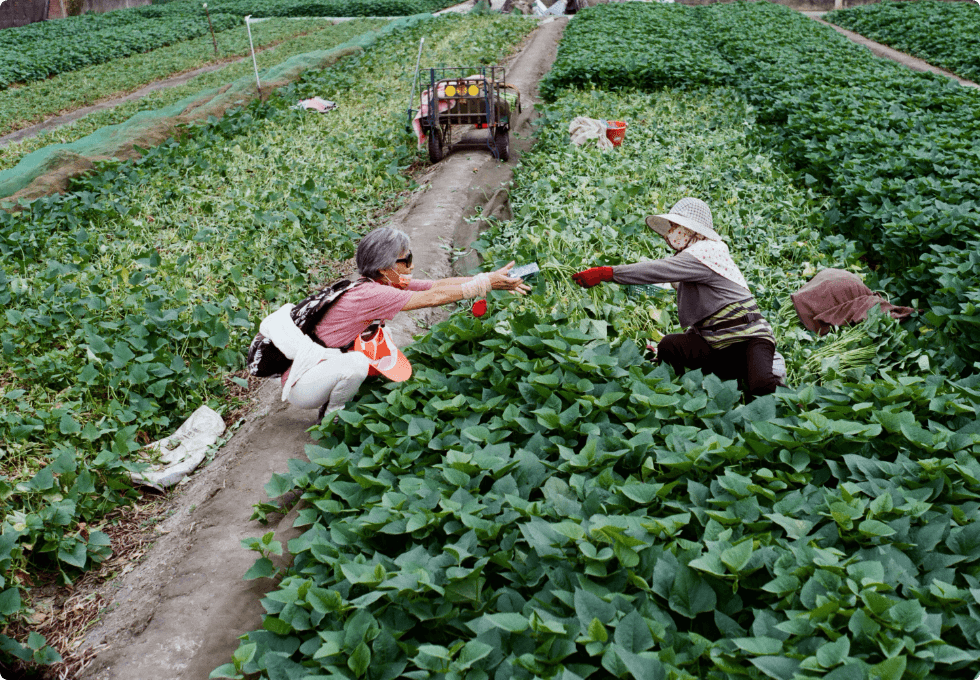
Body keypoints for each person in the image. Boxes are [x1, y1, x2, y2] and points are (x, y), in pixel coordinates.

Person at [260, 227, 530, 419]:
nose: (411, 266)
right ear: (384, 268)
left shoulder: (375, 283)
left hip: (318, 369)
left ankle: (346, 396)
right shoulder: (373, 294)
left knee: (378, 348)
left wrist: (490, 279)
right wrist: (484, 284)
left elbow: (437, 285)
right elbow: (434, 298)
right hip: (302, 385)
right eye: (406, 260)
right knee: (358, 363)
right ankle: (333, 417)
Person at [572, 197, 781, 398]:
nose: (670, 232)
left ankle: (787, 395)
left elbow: (657, 270)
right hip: (717, 345)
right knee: (669, 346)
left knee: (760, 386)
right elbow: (670, 281)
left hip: (749, 339)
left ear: (692, 230)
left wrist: (608, 273)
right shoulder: (689, 260)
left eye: (675, 226)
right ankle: (692, 391)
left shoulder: (707, 251)